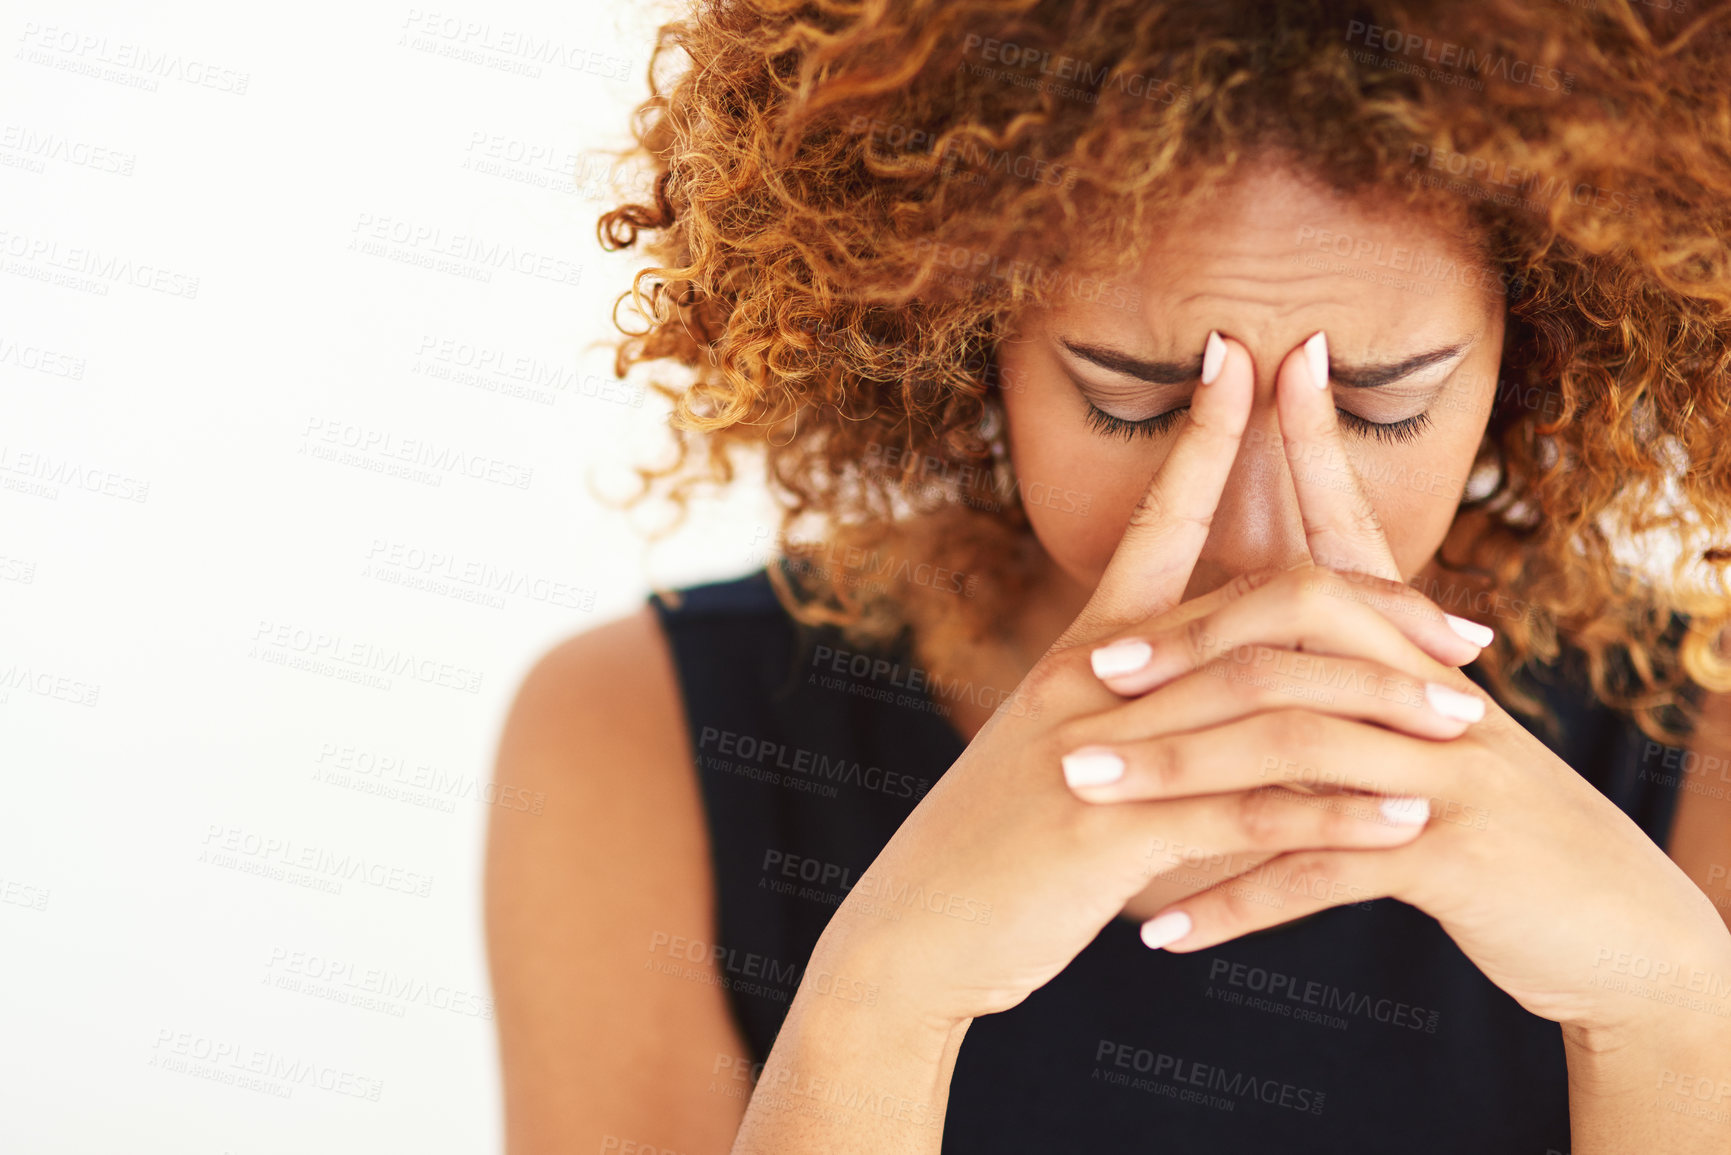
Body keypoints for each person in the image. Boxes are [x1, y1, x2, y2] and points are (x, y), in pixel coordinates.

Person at [484, 1, 1731, 1150]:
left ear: (1537, 347)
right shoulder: (641, 732)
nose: (1256, 541)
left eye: (1378, 406)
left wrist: (1671, 1016)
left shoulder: (1707, 748)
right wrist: (879, 1002)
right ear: (968, 340)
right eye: (1136, 404)